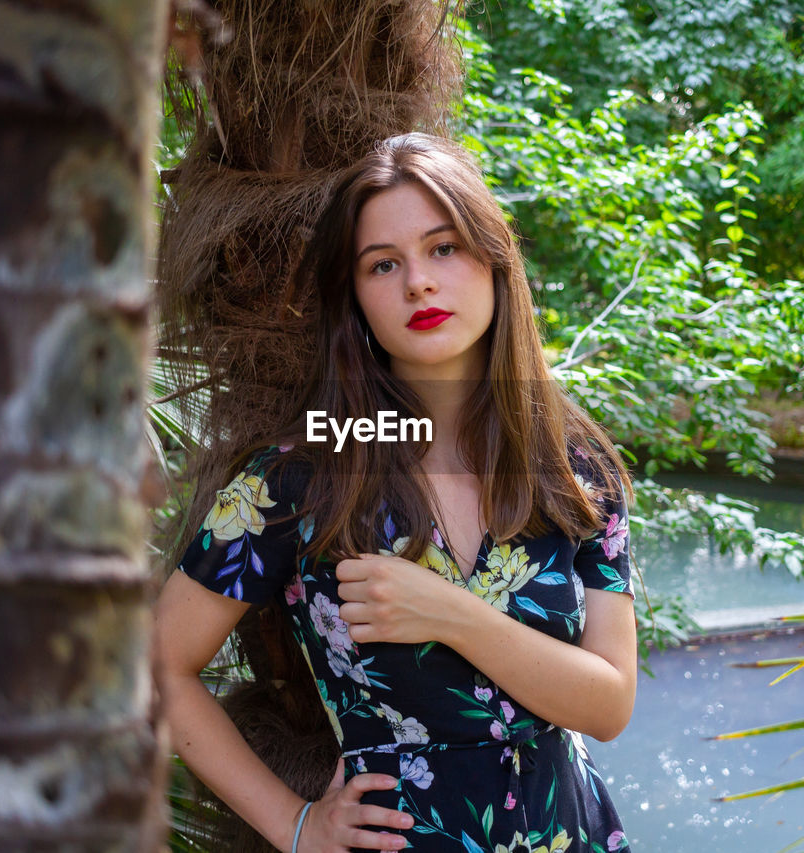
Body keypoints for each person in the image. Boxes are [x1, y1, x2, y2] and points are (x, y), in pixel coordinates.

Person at [154, 132, 637, 853]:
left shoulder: (572, 469)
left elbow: (609, 702)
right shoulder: (302, 476)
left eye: (444, 248)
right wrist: (295, 825)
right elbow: (160, 665)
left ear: (495, 261)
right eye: (385, 264)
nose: (419, 282)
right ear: (354, 300)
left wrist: (452, 614)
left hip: (570, 835)